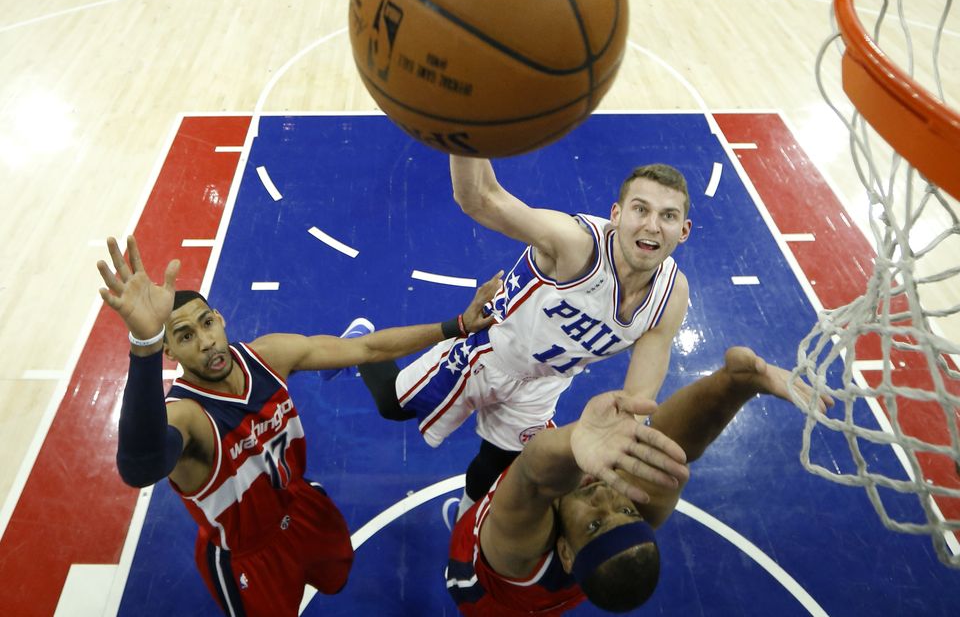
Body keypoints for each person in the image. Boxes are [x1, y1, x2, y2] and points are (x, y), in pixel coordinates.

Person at [98, 235, 498, 617]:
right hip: (247, 553)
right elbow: (140, 466)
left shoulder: (269, 355)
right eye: (185, 336)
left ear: (220, 319)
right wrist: (144, 344)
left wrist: (458, 324)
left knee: (337, 575)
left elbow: (369, 348)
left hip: (299, 503)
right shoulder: (187, 415)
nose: (205, 342)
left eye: (207, 323)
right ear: (170, 351)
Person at [359, 156, 692, 519]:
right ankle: (362, 345)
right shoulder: (576, 245)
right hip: (487, 354)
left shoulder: (671, 296)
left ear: (684, 230)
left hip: (543, 385)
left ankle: (466, 525)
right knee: (392, 408)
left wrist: (619, 435)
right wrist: (464, 132)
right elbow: (480, 198)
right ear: (616, 214)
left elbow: (637, 399)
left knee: (497, 464)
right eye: (640, 209)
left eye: (668, 216)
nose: (652, 226)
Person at [445, 347, 834, 615]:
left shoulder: (519, 554)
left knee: (489, 480)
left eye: (595, 524)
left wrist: (572, 440)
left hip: (481, 588)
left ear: (564, 552)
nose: (605, 500)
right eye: (626, 510)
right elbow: (672, 446)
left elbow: (530, 473)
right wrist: (738, 383)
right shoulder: (617, 522)